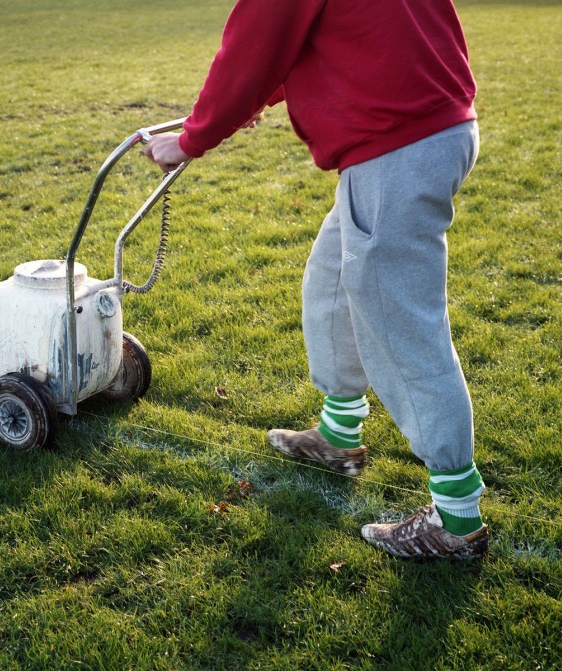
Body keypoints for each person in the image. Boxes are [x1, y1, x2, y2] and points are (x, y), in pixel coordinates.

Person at [144, 0, 487, 559]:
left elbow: (252, 52)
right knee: (331, 287)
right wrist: (262, 96)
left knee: (405, 332)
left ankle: (457, 520)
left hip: (397, 148)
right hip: (418, 134)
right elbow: (349, 35)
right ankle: (338, 438)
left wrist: (192, 138)